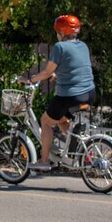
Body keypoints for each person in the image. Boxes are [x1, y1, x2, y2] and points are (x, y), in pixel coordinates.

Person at [18, 15, 96, 171]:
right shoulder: (83, 46)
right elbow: (75, 69)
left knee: (46, 121)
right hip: (89, 93)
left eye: (57, 31)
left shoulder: (60, 47)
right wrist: (58, 75)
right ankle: (80, 148)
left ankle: (44, 160)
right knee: (60, 119)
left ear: (62, 31)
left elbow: (46, 72)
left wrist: (30, 80)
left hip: (70, 95)